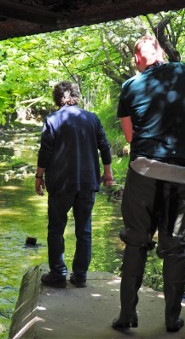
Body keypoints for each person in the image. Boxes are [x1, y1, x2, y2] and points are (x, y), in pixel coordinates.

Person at [112, 35, 185, 333]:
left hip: (144, 172)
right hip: (183, 176)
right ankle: (172, 319)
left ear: (137, 60)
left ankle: (127, 316)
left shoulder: (130, 86)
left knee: (136, 240)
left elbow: (132, 138)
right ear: (160, 52)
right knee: (175, 247)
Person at [35, 81, 114, 288]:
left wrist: (38, 177)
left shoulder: (52, 120)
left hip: (61, 183)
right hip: (87, 182)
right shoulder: (92, 118)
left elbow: (45, 151)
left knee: (56, 229)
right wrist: (107, 173)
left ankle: (58, 273)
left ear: (57, 99)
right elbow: (104, 146)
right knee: (84, 230)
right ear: (76, 97)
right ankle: (80, 276)